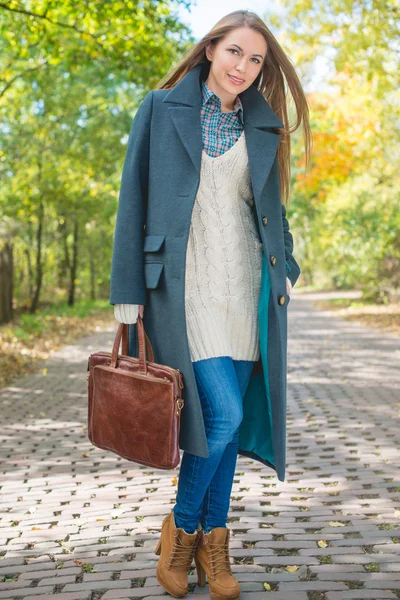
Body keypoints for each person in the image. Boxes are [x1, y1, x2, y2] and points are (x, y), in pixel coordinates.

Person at [111, 9, 310, 599]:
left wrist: (288, 269)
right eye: (234, 53)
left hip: (246, 290)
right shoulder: (160, 108)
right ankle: (183, 530)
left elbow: (274, 214)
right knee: (218, 416)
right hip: (185, 289)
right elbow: (132, 201)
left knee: (226, 426)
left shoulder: (264, 127)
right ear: (209, 50)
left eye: (255, 60)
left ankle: (213, 548)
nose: (243, 67)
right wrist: (128, 292)